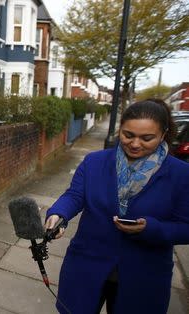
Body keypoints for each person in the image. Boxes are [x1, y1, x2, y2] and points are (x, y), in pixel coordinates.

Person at [45, 99, 189, 314]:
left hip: (143, 276)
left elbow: (185, 228)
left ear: (163, 134)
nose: (135, 144)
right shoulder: (94, 162)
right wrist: (58, 214)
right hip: (86, 266)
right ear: (120, 129)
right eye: (128, 135)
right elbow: (75, 195)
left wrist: (150, 229)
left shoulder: (181, 174)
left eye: (147, 138)